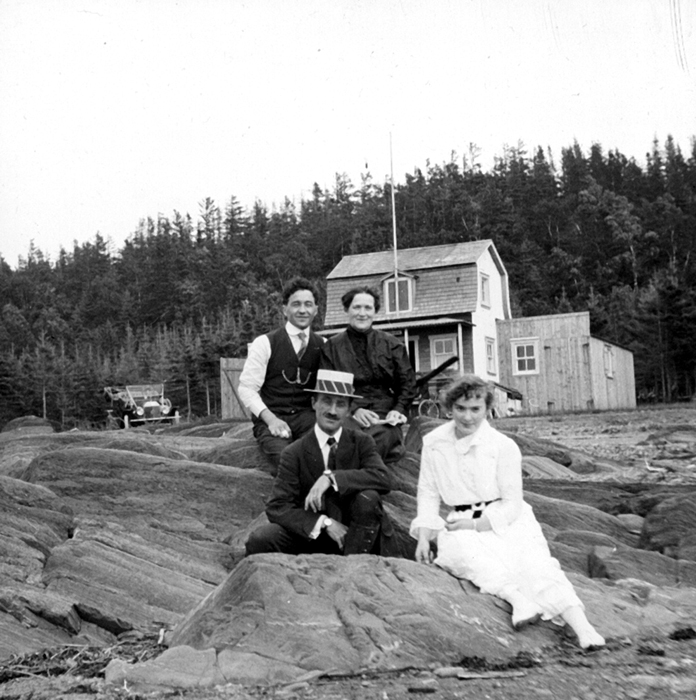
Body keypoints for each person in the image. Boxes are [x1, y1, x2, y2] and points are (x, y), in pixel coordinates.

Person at [410, 374, 606, 650]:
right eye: (460, 409)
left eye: (475, 409)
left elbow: (513, 502)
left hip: (504, 519)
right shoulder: (434, 442)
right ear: (448, 408)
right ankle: (517, 600)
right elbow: (428, 492)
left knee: (536, 568)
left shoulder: (503, 446)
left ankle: (584, 628)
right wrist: (422, 535)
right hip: (459, 521)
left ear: (487, 409)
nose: (468, 417)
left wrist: (475, 525)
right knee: (466, 556)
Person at [245, 369, 394, 556]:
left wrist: (332, 479)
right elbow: (278, 507)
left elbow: (383, 478)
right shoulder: (294, 452)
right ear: (313, 403)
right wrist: (325, 523)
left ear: (349, 410)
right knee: (261, 539)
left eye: (340, 404)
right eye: (326, 401)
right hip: (313, 536)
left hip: (356, 536)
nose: (332, 411)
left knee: (368, 497)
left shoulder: (361, 441)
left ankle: (354, 566)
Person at [320, 286, 417, 464]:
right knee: (347, 439)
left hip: (384, 413)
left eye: (368, 308)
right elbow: (328, 388)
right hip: (346, 412)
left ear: (375, 311)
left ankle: (356, 479)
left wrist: (398, 410)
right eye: (356, 307)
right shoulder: (332, 347)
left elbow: (408, 384)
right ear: (346, 310)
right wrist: (355, 409)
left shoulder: (392, 344)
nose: (362, 313)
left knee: (380, 438)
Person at [238, 277, 324, 472]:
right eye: (296, 304)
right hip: (272, 416)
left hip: (306, 418)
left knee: (322, 456)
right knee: (287, 461)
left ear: (316, 310)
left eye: (308, 305)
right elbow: (247, 388)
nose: (302, 310)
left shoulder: (323, 345)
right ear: (285, 309)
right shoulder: (265, 343)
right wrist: (270, 420)